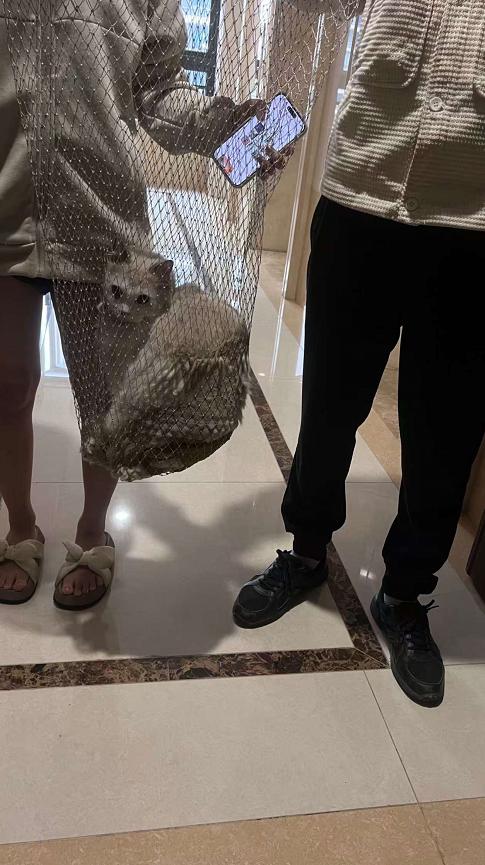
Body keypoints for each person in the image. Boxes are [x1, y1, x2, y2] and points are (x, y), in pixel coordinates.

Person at [233, 0, 485, 708]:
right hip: (357, 207)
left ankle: (404, 595)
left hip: (473, 229)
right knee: (329, 403)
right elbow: (306, 22)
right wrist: (255, 138)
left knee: (446, 432)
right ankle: (306, 551)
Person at [0, 0, 280, 610]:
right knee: (7, 384)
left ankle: (91, 534)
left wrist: (229, 129)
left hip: (101, 222)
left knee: (105, 401)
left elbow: (158, 95)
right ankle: (20, 526)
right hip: (4, 212)